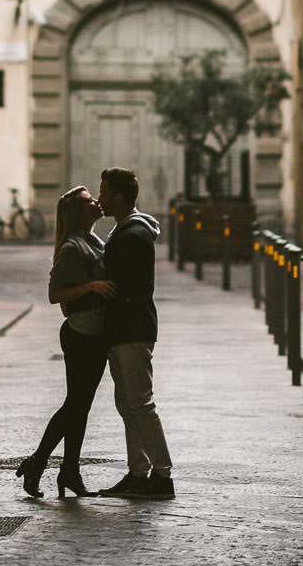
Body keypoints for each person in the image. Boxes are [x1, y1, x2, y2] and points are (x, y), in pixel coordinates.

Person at [16, 185, 117, 499]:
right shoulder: (72, 246)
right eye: (89, 202)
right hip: (80, 336)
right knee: (75, 404)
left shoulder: (93, 239)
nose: (96, 203)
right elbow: (54, 295)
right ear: (77, 211)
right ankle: (39, 461)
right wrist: (92, 286)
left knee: (81, 406)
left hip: (95, 334)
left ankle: (69, 470)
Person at [96, 167, 175, 500]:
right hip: (123, 330)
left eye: (103, 192)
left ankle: (162, 475)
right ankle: (138, 474)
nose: (100, 199)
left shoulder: (133, 234)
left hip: (132, 330)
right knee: (128, 405)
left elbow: (121, 285)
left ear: (118, 196)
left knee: (140, 405)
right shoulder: (124, 230)